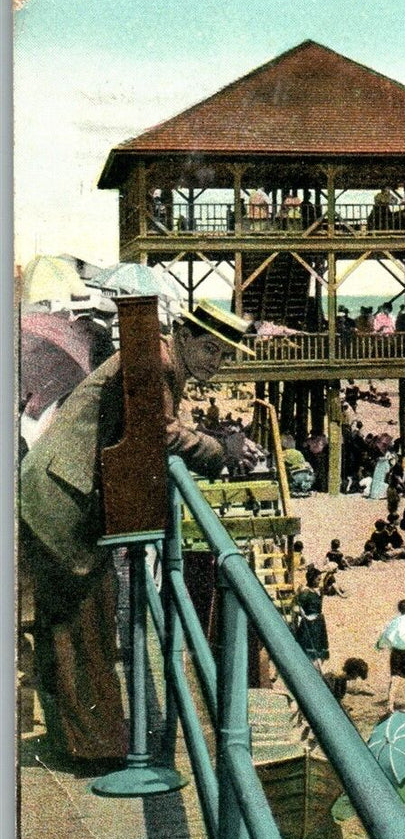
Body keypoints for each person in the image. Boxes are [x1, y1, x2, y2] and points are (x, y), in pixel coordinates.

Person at [18, 299, 252, 764]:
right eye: (209, 349)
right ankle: (96, 749)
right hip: (64, 497)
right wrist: (220, 450)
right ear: (183, 336)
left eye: (224, 356)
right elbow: (157, 431)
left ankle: (88, 741)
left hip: (57, 488)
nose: (215, 362)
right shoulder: (156, 362)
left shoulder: (156, 356)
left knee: (72, 627)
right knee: (82, 625)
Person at [376, 599, 405, 713]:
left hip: (396, 652)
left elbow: (386, 633)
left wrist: (380, 645)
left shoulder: (395, 621)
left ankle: (390, 704)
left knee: (395, 678)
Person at [291, 574, 330, 671]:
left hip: (319, 621)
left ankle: (317, 669)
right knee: (308, 646)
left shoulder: (320, 591)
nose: (319, 581)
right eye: (317, 579)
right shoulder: (305, 592)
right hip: (308, 622)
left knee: (319, 646)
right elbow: (295, 606)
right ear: (311, 579)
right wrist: (303, 614)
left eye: (320, 579)